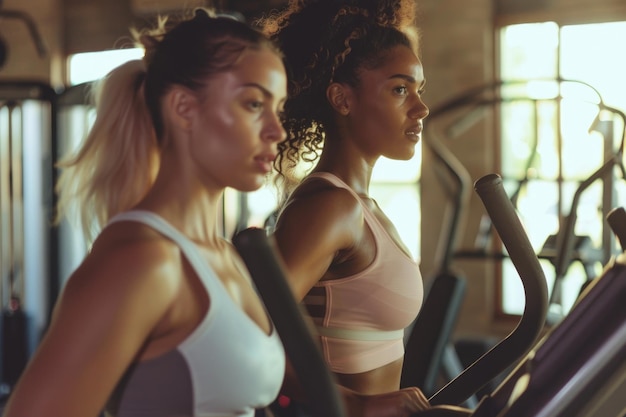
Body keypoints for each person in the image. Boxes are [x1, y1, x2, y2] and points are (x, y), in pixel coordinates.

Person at [2, 8, 289, 417]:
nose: (277, 130)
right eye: (254, 103)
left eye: (278, 107)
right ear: (184, 108)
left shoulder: (224, 254)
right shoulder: (144, 260)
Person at [259, 0, 430, 406]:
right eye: (400, 89)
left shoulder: (360, 206)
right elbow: (249, 337)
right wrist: (356, 406)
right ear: (342, 98)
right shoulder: (331, 208)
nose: (420, 108)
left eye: (419, 90)